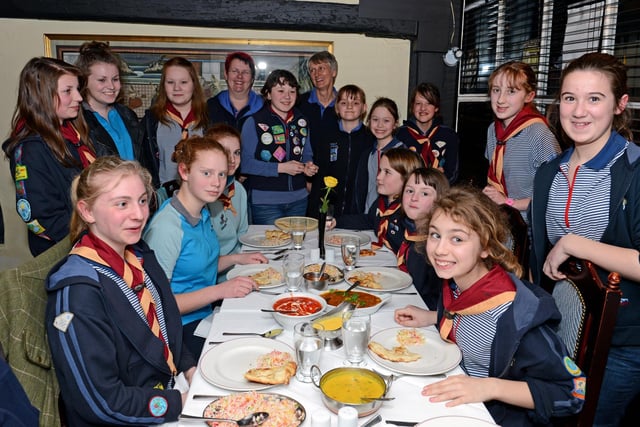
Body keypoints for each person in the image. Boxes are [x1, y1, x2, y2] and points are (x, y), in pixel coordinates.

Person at [395, 187, 585, 426]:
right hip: (456, 398)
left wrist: (491, 387)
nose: (440, 249)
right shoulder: (457, 285)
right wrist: (433, 316)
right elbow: (467, 316)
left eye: (457, 239)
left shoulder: (513, 316)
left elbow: (573, 393)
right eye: (435, 235)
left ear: (485, 247)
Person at [530, 52, 640, 426]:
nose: (579, 111)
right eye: (569, 98)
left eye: (595, 98)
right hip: (561, 333)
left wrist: (572, 242)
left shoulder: (635, 171)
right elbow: (540, 261)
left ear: (620, 104)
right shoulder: (549, 172)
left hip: (621, 344)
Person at [46, 156, 197, 425]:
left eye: (142, 200)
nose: (139, 215)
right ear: (87, 211)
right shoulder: (77, 293)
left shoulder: (140, 255)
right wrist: (180, 404)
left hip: (169, 388)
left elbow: (167, 326)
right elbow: (101, 402)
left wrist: (190, 368)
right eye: (122, 204)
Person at [144, 136, 266, 357]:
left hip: (205, 316)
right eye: (206, 173)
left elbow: (198, 265)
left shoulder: (202, 211)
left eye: (221, 174)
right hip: (177, 331)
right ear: (184, 172)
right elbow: (157, 303)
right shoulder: (167, 228)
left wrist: (236, 259)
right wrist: (220, 290)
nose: (216, 182)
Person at [2, 57, 95, 257]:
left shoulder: (73, 134)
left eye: (77, 89)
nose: (79, 97)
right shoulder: (30, 149)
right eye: (68, 91)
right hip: (68, 252)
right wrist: (94, 240)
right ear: (42, 96)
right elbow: (43, 217)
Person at [482, 61, 560, 221]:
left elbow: (556, 195)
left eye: (511, 91)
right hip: (499, 220)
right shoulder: (492, 130)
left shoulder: (539, 134)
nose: (500, 100)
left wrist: (508, 202)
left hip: (528, 226)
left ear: (529, 96)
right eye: (496, 90)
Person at [240, 69, 318, 225]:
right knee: (272, 247)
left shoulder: (302, 121)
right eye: (281, 90)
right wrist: (280, 168)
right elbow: (245, 164)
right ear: (268, 94)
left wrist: (308, 167)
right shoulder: (253, 122)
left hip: (299, 199)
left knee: (297, 247)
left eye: (292, 91)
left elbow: (307, 153)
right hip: (266, 202)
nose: (287, 97)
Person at [338, 147, 423, 254]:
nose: (378, 177)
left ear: (407, 178)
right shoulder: (383, 201)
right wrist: (337, 222)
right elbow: (369, 220)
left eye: (387, 172)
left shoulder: (409, 212)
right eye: (380, 170)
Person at [75, 41, 147, 164]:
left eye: (115, 79)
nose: (111, 86)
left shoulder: (128, 115)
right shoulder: (77, 120)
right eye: (102, 80)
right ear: (84, 82)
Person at [309, 84, 374, 219]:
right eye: (344, 103)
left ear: (364, 108)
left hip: (358, 207)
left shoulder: (370, 138)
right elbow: (318, 173)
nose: (349, 107)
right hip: (329, 205)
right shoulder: (326, 136)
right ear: (337, 108)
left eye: (355, 103)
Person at [142, 57, 208, 188]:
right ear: (163, 85)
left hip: (202, 194)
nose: (177, 88)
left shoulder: (209, 119)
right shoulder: (151, 121)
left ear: (194, 84)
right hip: (163, 196)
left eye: (183, 82)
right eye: (170, 82)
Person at [396, 167, 449, 309]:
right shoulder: (411, 231)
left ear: (440, 200)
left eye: (425, 193)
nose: (414, 198)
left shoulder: (437, 246)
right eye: (409, 191)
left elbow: (438, 301)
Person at [396, 82, 460, 183]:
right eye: (418, 103)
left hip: (439, 193)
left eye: (428, 103)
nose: (423, 108)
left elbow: (452, 173)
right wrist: (434, 175)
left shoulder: (449, 135)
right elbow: (398, 171)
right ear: (412, 106)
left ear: (436, 107)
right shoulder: (400, 134)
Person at [353, 97, 406, 214]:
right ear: (368, 121)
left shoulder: (403, 154)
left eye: (386, 121)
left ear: (395, 124)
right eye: (375, 119)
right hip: (368, 218)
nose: (380, 125)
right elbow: (360, 190)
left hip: (392, 218)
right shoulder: (367, 154)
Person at [205, 123, 249, 257]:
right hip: (212, 270)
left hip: (237, 262)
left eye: (237, 153)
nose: (232, 159)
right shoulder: (204, 195)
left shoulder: (238, 190)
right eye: (225, 152)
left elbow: (242, 235)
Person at [206, 51, 263, 130]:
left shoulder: (265, 107)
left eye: (245, 72)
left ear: (252, 78)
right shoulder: (210, 107)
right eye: (234, 71)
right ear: (226, 75)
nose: (239, 76)